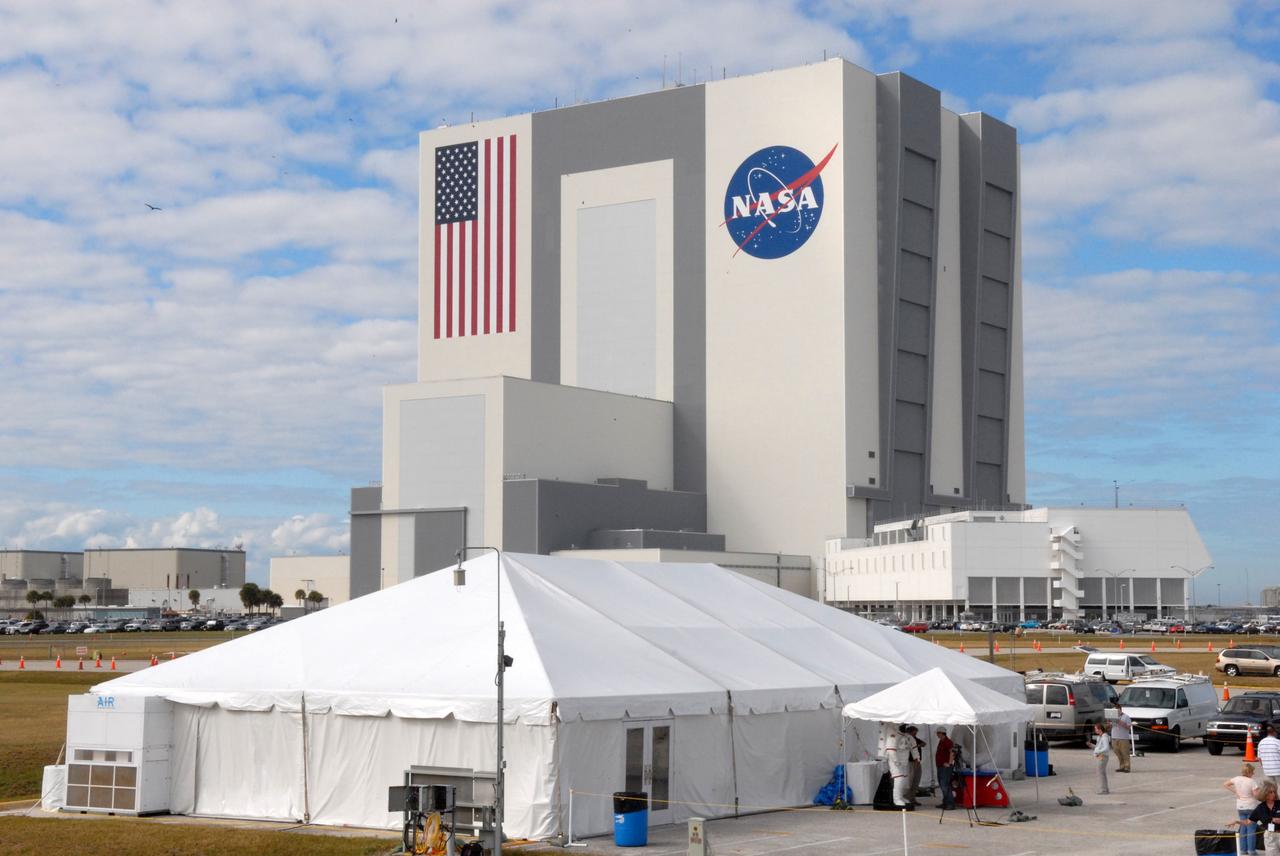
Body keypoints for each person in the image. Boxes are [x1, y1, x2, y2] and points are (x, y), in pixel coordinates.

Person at [1225, 761, 1262, 855]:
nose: (1253, 773)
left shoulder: (1236, 779)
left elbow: (1225, 784)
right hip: (1251, 806)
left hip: (1240, 806)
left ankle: (1243, 849)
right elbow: (1256, 795)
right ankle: (1251, 850)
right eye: (1252, 772)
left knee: (1243, 828)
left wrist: (1235, 792)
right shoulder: (1252, 782)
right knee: (1251, 829)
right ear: (1249, 772)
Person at [1245, 781, 1280, 856]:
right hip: (1270, 836)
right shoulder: (1260, 808)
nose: (1273, 794)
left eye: (1274, 791)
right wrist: (1237, 822)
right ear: (1264, 793)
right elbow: (1249, 821)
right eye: (1270, 792)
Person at [885, 725, 914, 809]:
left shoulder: (907, 737)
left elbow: (913, 747)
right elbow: (890, 750)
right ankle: (896, 799)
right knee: (899, 779)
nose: (904, 728)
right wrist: (896, 761)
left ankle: (901, 797)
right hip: (896, 762)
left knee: (904, 781)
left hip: (904, 762)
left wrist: (917, 757)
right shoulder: (893, 736)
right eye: (903, 726)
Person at [936, 728, 956, 810]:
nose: (937, 734)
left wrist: (950, 763)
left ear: (941, 733)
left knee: (945, 785)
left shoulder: (948, 741)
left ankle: (950, 804)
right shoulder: (941, 741)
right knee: (942, 784)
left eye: (938, 733)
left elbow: (952, 752)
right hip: (940, 766)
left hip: (945, 767)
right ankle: (945, 802)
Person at [1110, 703, 1133, 773]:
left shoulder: (1126, 717)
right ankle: (1122, 766)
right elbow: (1110, 727)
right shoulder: (1112, 717)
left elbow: (1128, 727)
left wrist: (1120, 722)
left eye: (1117, 710)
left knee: (1125, 753)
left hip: (1123, 738)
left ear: (1120, 710)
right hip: (1114, 737)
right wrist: (1109, 722)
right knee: (1117, 752)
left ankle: (1127, 767)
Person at [906, 726, 925, 806]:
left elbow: (924, 743)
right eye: (914, 732)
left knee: (916, 781)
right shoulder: (906, 739)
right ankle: (907, 799)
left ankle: (912, 798)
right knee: (909, 782)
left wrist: (917, 746)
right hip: (910, 763)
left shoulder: (915, 739)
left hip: (917, 762)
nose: (915, 734)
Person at [1089, 723, 1111, 795]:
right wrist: (1092, 746)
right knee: (1102, 773)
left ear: (1100, 729)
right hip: (1100, 756)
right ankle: (1105, 789)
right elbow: (1099, 747)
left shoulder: (1104, 737)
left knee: (1100, 773)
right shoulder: (1100, 737)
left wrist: (1097, 751)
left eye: (1096, 729)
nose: (1095, 730)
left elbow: (1106, 748)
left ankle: (1104, 790)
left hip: (1103, 756)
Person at [1259, 726, 1280, 790]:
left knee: (1271, 789)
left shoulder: (1261, 743)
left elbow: (1259, 758)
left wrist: (1265, 766)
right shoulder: (1278, 742)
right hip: (1278, 770)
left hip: (1267, 770)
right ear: (1274, 732)